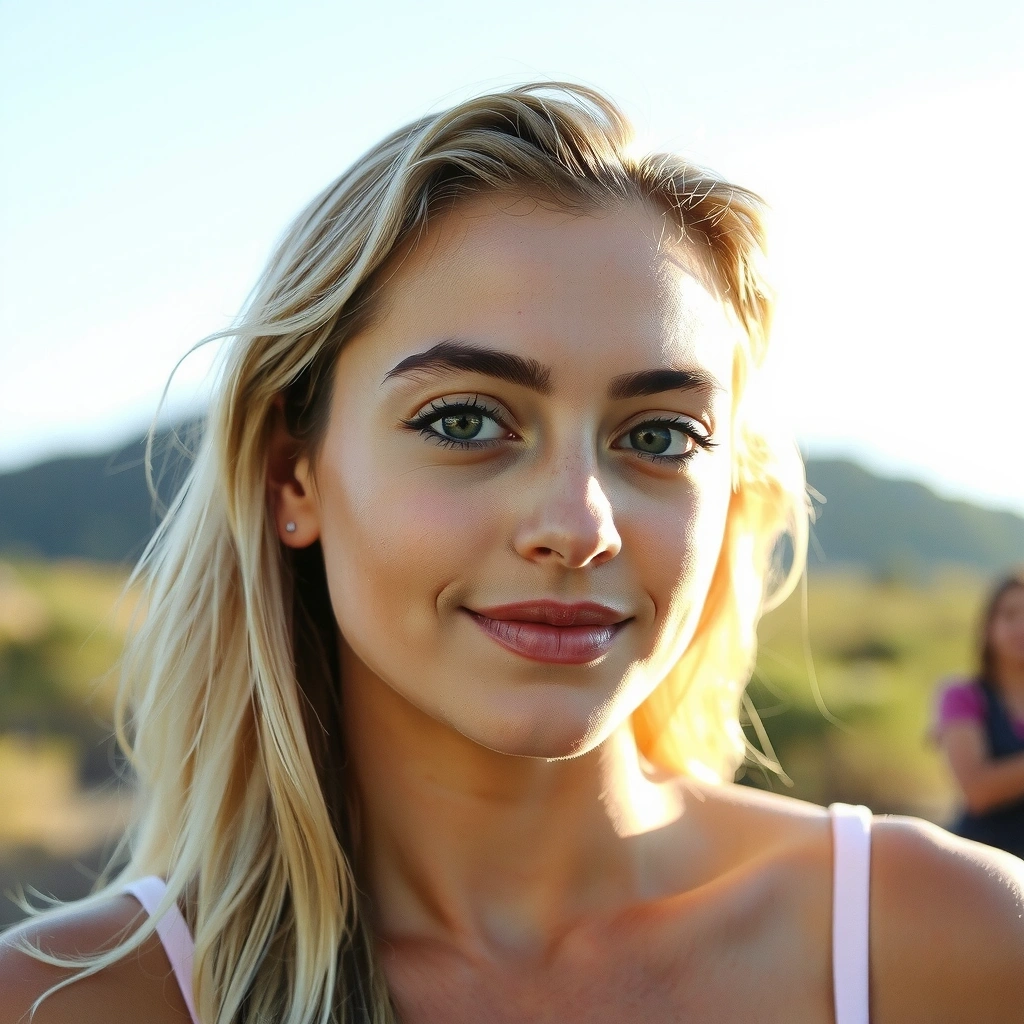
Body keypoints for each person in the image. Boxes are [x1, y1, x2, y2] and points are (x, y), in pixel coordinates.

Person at [1, 83, 1022, 1024]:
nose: (577, 525)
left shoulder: (946, 944)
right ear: (291, 479)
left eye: (659, 435)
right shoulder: (70, 1002)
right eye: (464, 421)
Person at [935, 571, 1024, 857]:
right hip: (982, 860)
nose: (1021, 627)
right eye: (1010, 615)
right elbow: (977, 791)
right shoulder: (963, 696)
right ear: (988, 626)